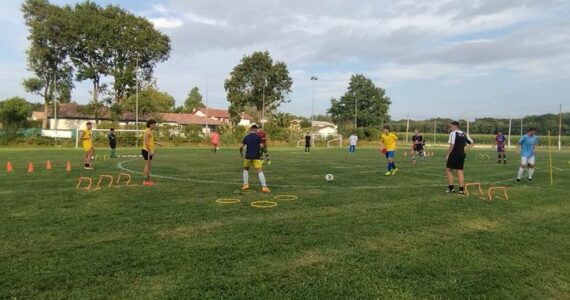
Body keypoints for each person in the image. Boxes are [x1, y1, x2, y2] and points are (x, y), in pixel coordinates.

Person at [445, 121, 474, 194]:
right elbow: (472, 143)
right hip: (462, 154)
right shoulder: (464, 134)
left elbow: (452, 146)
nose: (450, 128)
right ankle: (461, 190)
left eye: (451, 127)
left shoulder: (453, 133)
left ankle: (451, 188)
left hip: (454, 153)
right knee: (460, 171)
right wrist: (464, 150)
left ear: (455, 126)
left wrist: (447, 155)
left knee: (448, 170)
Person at [240, 125, 270, 193]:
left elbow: (241, 147)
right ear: (256, 130)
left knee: (246, 169)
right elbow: (262, 147)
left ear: (251, 129)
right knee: (259, 171)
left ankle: (245, 185)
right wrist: (261, 154)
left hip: (248, 156)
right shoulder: (259, 137)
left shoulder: (246, 137)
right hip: (256, 156)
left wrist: (241, 153)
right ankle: (264, 187)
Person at [142, 119, 161, 186]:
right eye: (154, 124)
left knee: (149, 166)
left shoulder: (150, 131)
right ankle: (145, 181)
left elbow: (150, 141)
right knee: (147, 166)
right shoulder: (147, 132)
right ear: (150, 124)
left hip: (149, 151)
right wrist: (149, 151)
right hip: (147, 151)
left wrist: (157, 143)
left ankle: (148, 180)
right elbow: (146, 142)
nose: (155, 126)